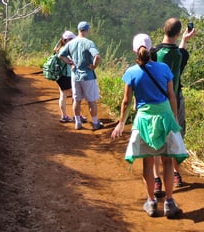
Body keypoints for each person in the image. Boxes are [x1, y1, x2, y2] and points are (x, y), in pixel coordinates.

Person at [111, 34, 188, 218]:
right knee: (167, 160)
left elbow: (126, 101)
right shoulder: (164, 69)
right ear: (152, 47)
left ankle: (151, 202)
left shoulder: (131, 72)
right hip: (165, 117)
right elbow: (171, 95)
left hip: (144, 119)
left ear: (133, 51)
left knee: (147, 161)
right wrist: (175, 119)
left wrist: (121, 123)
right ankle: (169, 202)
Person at [151, 18, 195, 195]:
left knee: (155, 140)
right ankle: (176, 174)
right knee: (176, 137)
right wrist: (184, 40)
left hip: (156, 103)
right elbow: (181, 54)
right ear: (178, 34)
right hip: (175, 101)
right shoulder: (182, 55)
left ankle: (156, 180)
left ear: (163, 29)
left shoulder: (154, 53)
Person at [58, 21, 103, 130]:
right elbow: (97, 57)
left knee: (77, 100)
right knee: (91, 101)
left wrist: (70, 62)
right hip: (88, 76)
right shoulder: (89, 43)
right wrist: (93, 66)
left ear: (78, 30)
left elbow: (60, 55)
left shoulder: (71, 43)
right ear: (87, 30)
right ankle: (95, 122)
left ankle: (77, 122)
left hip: (75, 76)